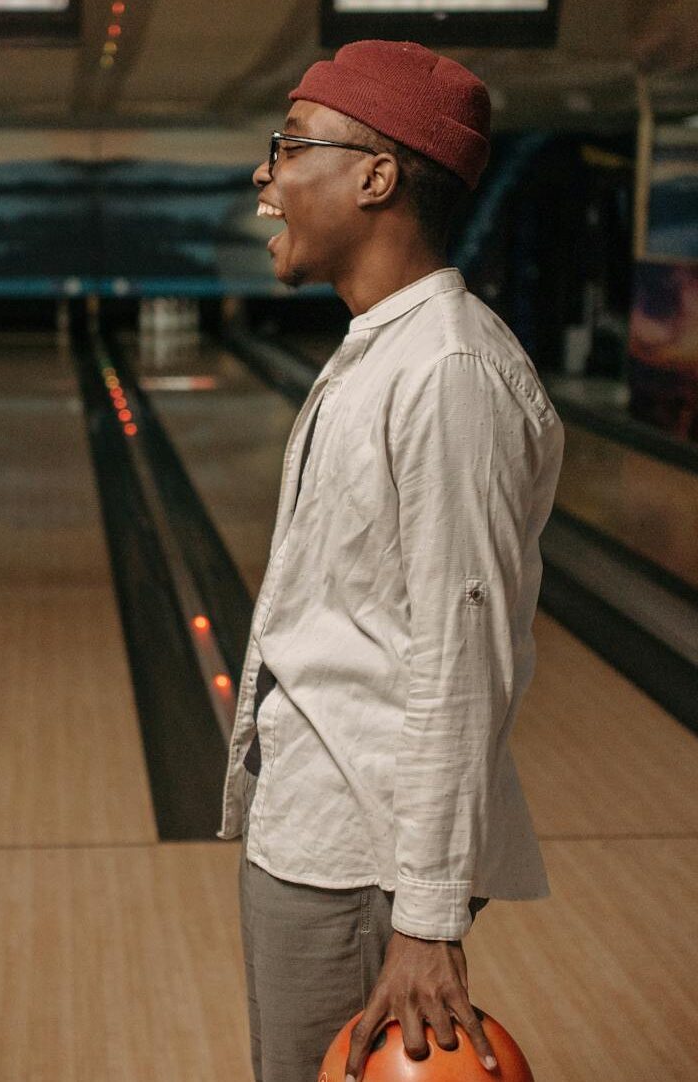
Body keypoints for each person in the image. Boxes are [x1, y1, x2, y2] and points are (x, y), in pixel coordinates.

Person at [221, 41, 562, 1082]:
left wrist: (425, 917)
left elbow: (461, 657)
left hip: (359, 858)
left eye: (289, 146)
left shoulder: (448, 372)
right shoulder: (390, 346)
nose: (265, 174)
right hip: (323, 834)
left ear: (375, 177)